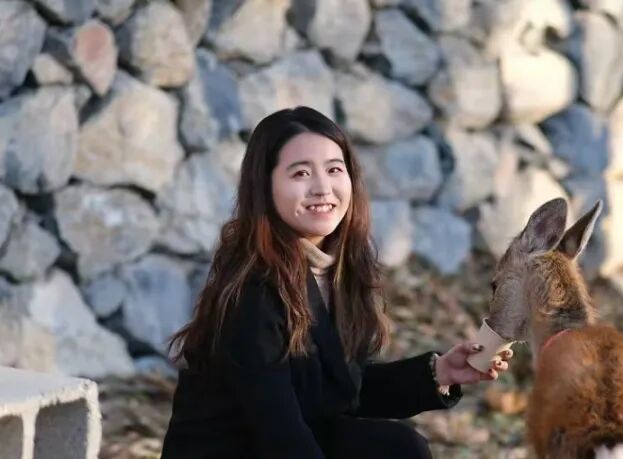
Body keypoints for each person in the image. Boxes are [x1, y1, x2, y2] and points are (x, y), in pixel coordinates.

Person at [161, 106, 514, 459]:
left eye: (334, 169)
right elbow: (280, 431)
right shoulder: (253, 291)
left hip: (277, 442)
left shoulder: (337, 272)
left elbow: (342, 391)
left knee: (398, 447)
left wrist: (440, 373)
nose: (322, 188)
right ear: (265, 187)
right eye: (301, 173)